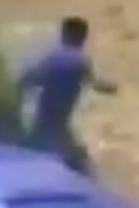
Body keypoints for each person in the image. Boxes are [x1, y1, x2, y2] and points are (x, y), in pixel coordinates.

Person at [17, 17, 117, 175]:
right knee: (71, 153)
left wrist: (18, 84)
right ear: (83, 38)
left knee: (33, 148)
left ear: (63, 35)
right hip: (62, 116)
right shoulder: (82, 61)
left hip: (45, 116)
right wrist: (109, 88)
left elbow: (31, 78)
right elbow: (93, 82)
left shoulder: (54, 57)